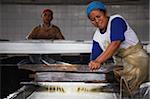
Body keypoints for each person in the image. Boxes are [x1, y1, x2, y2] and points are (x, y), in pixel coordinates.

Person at [86, 1, 148, 94]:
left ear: (105, 14)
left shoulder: (116, 20)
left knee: (138, 92)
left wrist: (98, 61)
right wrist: (92, 66)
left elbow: (115, 43)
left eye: (98, 16)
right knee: (124, 92)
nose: (97, 21)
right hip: (120, 67)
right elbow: (95, 58)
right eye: (93, 19)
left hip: (137, 63)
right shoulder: (97, 37)